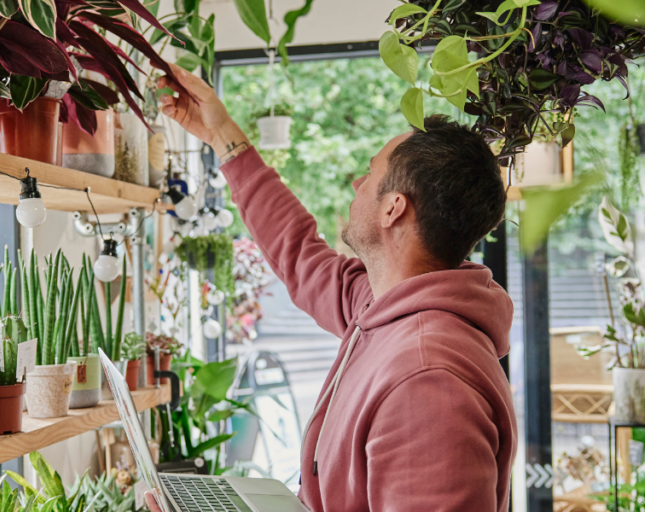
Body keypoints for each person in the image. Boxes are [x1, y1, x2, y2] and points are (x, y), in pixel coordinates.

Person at [146, 64, 517, 511]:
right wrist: (221, 133)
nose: (357, 185)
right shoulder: (382, 307)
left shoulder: (429, 382)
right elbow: (298, 252)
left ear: (393, 209)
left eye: (369, 174)